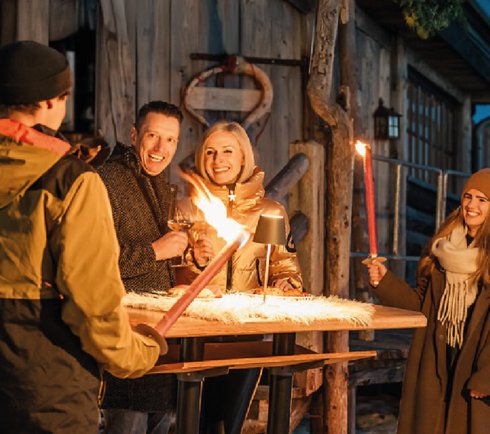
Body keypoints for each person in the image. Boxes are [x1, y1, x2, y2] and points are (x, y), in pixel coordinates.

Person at [0, 40, 164, 434]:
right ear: (53, 100)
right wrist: (139, 354)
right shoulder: (72, 182)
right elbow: (93, 307)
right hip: (45, 393)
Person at [179, 120, 303, 434]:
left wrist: (286, 284)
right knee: (194, 423)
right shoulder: (189, 209)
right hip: (196, 333)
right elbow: (170, 276)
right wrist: (193, 260)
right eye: (210, 152)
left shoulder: (270, 212)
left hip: (248, 332)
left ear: (243, 157)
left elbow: (285, 267)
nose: (217, 160)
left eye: (227, 151)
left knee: (228, 425)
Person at [365, 168, 490, 434]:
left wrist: (486, 377)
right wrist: (384, 281)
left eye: (482, 199)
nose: (472, 205)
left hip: (475, 364)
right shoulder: (443, 247)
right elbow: (420, 303)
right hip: (437, 356)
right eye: (468, 196)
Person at [98, 101, 188, 434]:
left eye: (171, 140)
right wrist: (155, 251)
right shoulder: (106, 181)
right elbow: (94, 262)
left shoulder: (160, 185)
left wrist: (188, 258)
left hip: (158, 338)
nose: (161, 148)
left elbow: (161, 259)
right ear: (135, 135)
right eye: (153, 136)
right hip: (125, 332)